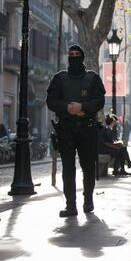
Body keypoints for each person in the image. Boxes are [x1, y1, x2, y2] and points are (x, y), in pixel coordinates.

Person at [46, 45, 105, 217]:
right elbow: (51, 101)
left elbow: (99, 101)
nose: (74, 57)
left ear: (83, 57)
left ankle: (88, 200)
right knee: (68, 169)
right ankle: (71, 205)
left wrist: (83, 107)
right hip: (66, 129)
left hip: (87, 128)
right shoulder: (59, 78)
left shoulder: (92, 78)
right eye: (71, 54)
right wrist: (68, 108)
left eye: (77, 54)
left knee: (88, 167)